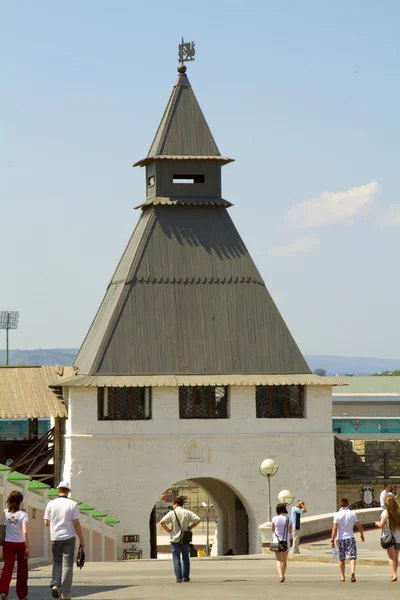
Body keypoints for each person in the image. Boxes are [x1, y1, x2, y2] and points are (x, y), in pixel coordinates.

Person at [44, 481, 85, 600]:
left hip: (55, 537)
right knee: (67, 565)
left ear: (58, 490)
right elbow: (76, 524)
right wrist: (82, 540)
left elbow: (46, 523)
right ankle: (64, 594)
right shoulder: (73, 504)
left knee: (57, 561)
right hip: (69, 537)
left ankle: (55, 584)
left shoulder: (51, 504)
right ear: (68, 491)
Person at [159, 496, 200, 583]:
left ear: (176, 504)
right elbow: (198, 519)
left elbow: (162, 522)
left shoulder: (172, 513)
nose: (172, 505)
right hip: (184, 538)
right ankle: (186, 576)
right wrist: (190, 527)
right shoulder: (187, 512)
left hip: (174, 538)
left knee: (176, 558)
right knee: (185, 558)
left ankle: (178, 578)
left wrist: (168, 530)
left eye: (173, 504)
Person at [0, 491, 29, 600]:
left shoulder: (5, 512)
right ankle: (22, 595)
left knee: (7, 568)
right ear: (20, 501)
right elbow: (25, 532)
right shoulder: (23, 514)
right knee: (22, 570)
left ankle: (3, 591)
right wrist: (27, 547)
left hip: (8, 543)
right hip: (20, 544)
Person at [330, 497, 365, 582]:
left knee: (341, 558)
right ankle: (352, 572)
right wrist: (361, 535)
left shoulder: (337, 515)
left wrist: (332, 540)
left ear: (340, 505)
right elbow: (359, 525)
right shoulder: (352, 514)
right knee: (352, 556)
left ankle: (342, 576)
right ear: (348, 504)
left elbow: (334, 528)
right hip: (350, 537)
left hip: (340, 538)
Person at [374, 495, 400, 581]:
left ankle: (393, 575)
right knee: (396, 556)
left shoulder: (385, 512)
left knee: (391, 557)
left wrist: (377, 523)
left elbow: (381, 524)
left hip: (389, 537)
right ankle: (394, 574)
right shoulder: (398, 511)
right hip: (398, 537)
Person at [271, 503, 292, 583]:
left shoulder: (274, 519)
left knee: (278, 559)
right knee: (284, 560)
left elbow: (272, 530)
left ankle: (280, 575)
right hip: (285, 541)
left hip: (276, 541)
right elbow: (290, 531)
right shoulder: (288, 519)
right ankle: (283, 574)